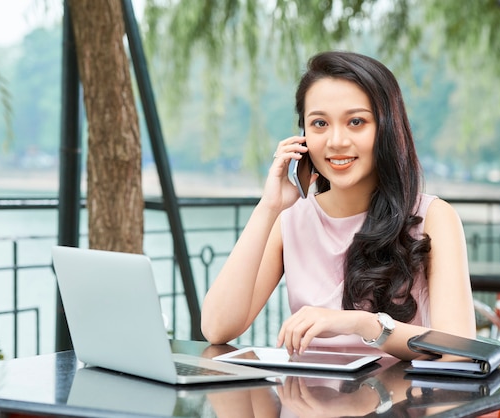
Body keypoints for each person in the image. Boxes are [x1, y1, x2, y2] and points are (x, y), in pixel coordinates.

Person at [201, 50, 476, 360]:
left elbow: (459, 348)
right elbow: (216, 328)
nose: (336, 141)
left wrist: (362, 324)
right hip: (304, 403)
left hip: (398, 404)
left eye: (356, 121)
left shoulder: (432, 217)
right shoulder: (290, 220)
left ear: (386, 128)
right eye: (319, 123)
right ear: (303, 136)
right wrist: (268, 207)